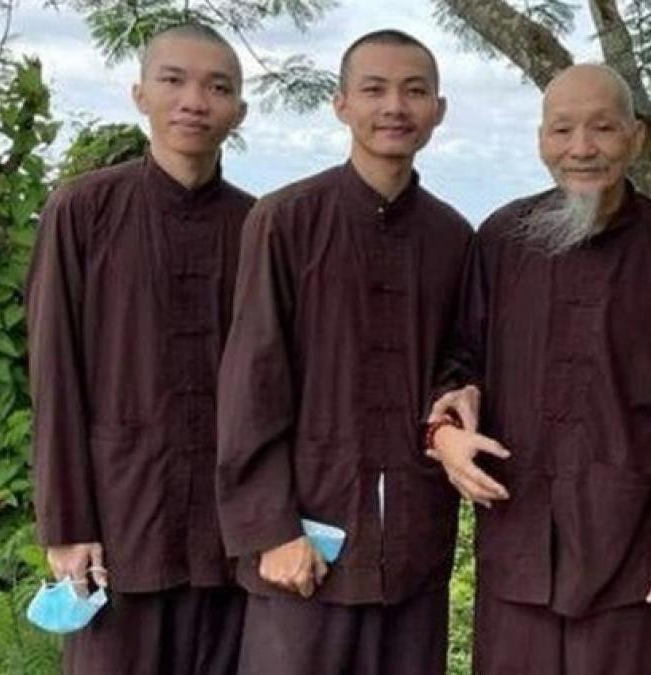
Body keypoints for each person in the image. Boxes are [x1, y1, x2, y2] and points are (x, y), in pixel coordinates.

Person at [427, 63, 651, 675]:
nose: (582, 148)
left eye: (603, 128)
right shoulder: (503, 236)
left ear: (636, 137)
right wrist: (446, 433)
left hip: (627, 540)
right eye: (562, 130)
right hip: (516, 529)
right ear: (541, 139)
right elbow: (461, 361)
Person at [214, 29, 471, 674]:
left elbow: (461, 362)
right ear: (341, 104)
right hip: (304, 539)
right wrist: (272, 529)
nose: (395, 107)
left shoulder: (452, 236)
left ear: (438, 110)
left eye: (415, 92)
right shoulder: (285, 220)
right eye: (374, 90)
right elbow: (252, 383)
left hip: (412, 541)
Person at [27, 23, 253, 675]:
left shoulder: (258, 224)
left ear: (238, 110)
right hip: (120, 522)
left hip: (227, 533)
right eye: (173, 80)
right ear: (140, 94)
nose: (194, 101)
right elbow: (55, 373)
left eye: (217, 88)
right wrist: (66, 525)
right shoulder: (83, 210)